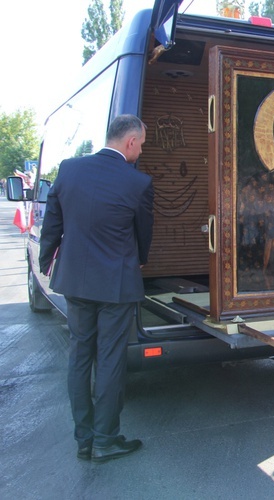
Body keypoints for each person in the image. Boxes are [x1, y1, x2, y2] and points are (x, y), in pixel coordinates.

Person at [38, 115, 154, 463]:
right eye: (143, 144)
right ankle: (106, 439)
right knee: (109, 360)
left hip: (75, 280)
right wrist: (141, 260)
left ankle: (84, 440)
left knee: (79, 357)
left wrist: (46, 260)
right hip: (116, 285)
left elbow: (52, 223)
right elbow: (143, 233)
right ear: (131, 141)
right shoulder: (138, 182)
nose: (141, 150)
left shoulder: (69, 169)